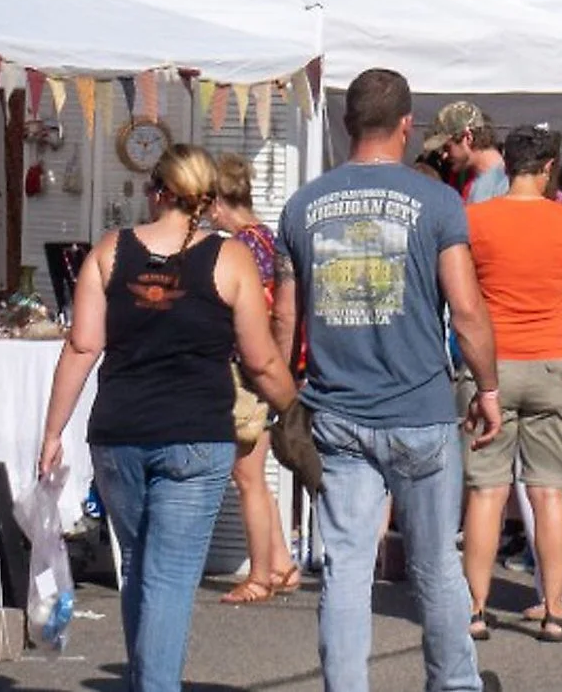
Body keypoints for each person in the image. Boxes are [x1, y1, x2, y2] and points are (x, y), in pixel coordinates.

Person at [275, 68, 501, 692]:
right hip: (420, 410)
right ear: (407, 126)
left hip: (337, 413)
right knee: (434, 567)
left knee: (347, 569)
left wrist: (281, 398)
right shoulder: (436, 201)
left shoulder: (303, 205)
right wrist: (487, 388)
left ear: (349, 126)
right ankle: (454, 684)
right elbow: (467, 308)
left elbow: (284, 316)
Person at [41, 144, 297, 692]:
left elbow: (82, 346)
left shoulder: (111, 251)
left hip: (119, 435)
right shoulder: (230, 259)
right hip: (195, 435)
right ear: (205, 198)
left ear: (154, 191)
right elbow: (260, 358)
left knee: (141, 567)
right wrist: (296, 409)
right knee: (169, 578)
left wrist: (53, 430)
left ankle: (146, 680)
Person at [460, 124, 562, 643]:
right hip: (553, 358)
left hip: (492, 363)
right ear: (550, 167)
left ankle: (475, 608)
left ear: (507, 166)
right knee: (549, 492)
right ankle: (554, 609)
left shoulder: (474, 219)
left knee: (487, 490)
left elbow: (464, 290)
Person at [203, 154, 302, 606]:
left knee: (247, 476)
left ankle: (260, 574)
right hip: (262, 367)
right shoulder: (268, 239)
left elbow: (264, 312)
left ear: (219, 203)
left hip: (246, 369)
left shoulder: (241, 247)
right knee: (254, 475)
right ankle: (280, 562)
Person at [431, 101, 509, 204]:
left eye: (447, 147)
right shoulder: (467, 178)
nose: (444, 155)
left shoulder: (503, 186)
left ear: (468, 138)